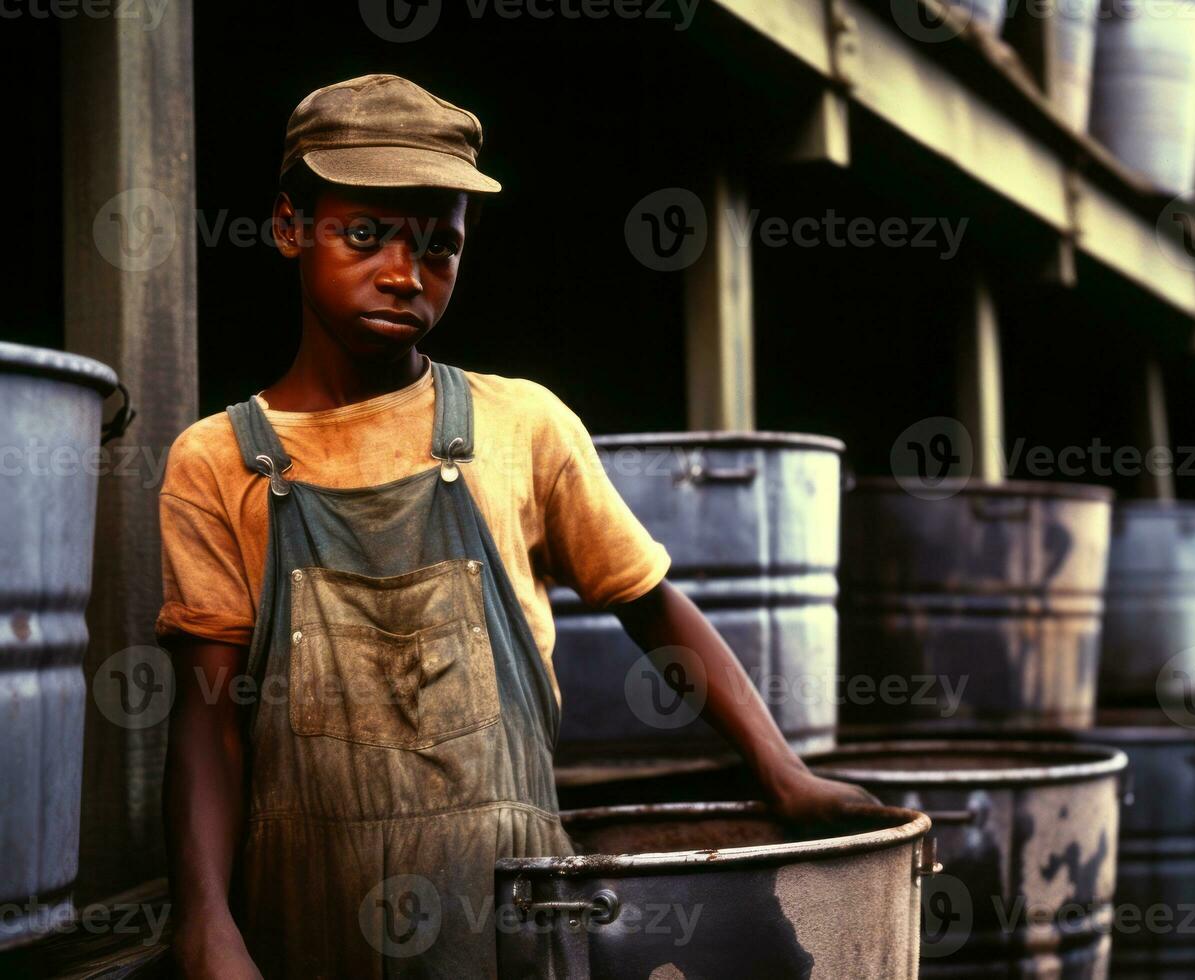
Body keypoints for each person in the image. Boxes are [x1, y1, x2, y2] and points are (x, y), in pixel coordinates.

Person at [158, 73, 872, 979]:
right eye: (365, 234)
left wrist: (783, 774)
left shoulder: (520, 425)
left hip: (511, 914)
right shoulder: (217, 459)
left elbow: (652, 607)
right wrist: (206, 918)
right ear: (290, 225)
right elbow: (206, 717)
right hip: (303, 920)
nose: (404, 273)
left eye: (438, 246)